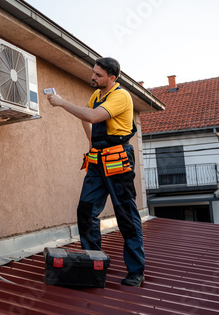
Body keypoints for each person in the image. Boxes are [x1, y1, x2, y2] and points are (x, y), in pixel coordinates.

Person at [46, 57, 145, 287]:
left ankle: (136, 271)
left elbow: (92, 116)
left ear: (112, 78)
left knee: (126, 218)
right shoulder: (96, 95)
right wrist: (92, 143)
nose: (93, 77)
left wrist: (61, 102)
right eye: (93, 72)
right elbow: (86, 117)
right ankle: (93, 265)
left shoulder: (120, 96)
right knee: (86, 211)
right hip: (98, 160)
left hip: (118, 161)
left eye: (98, 75)